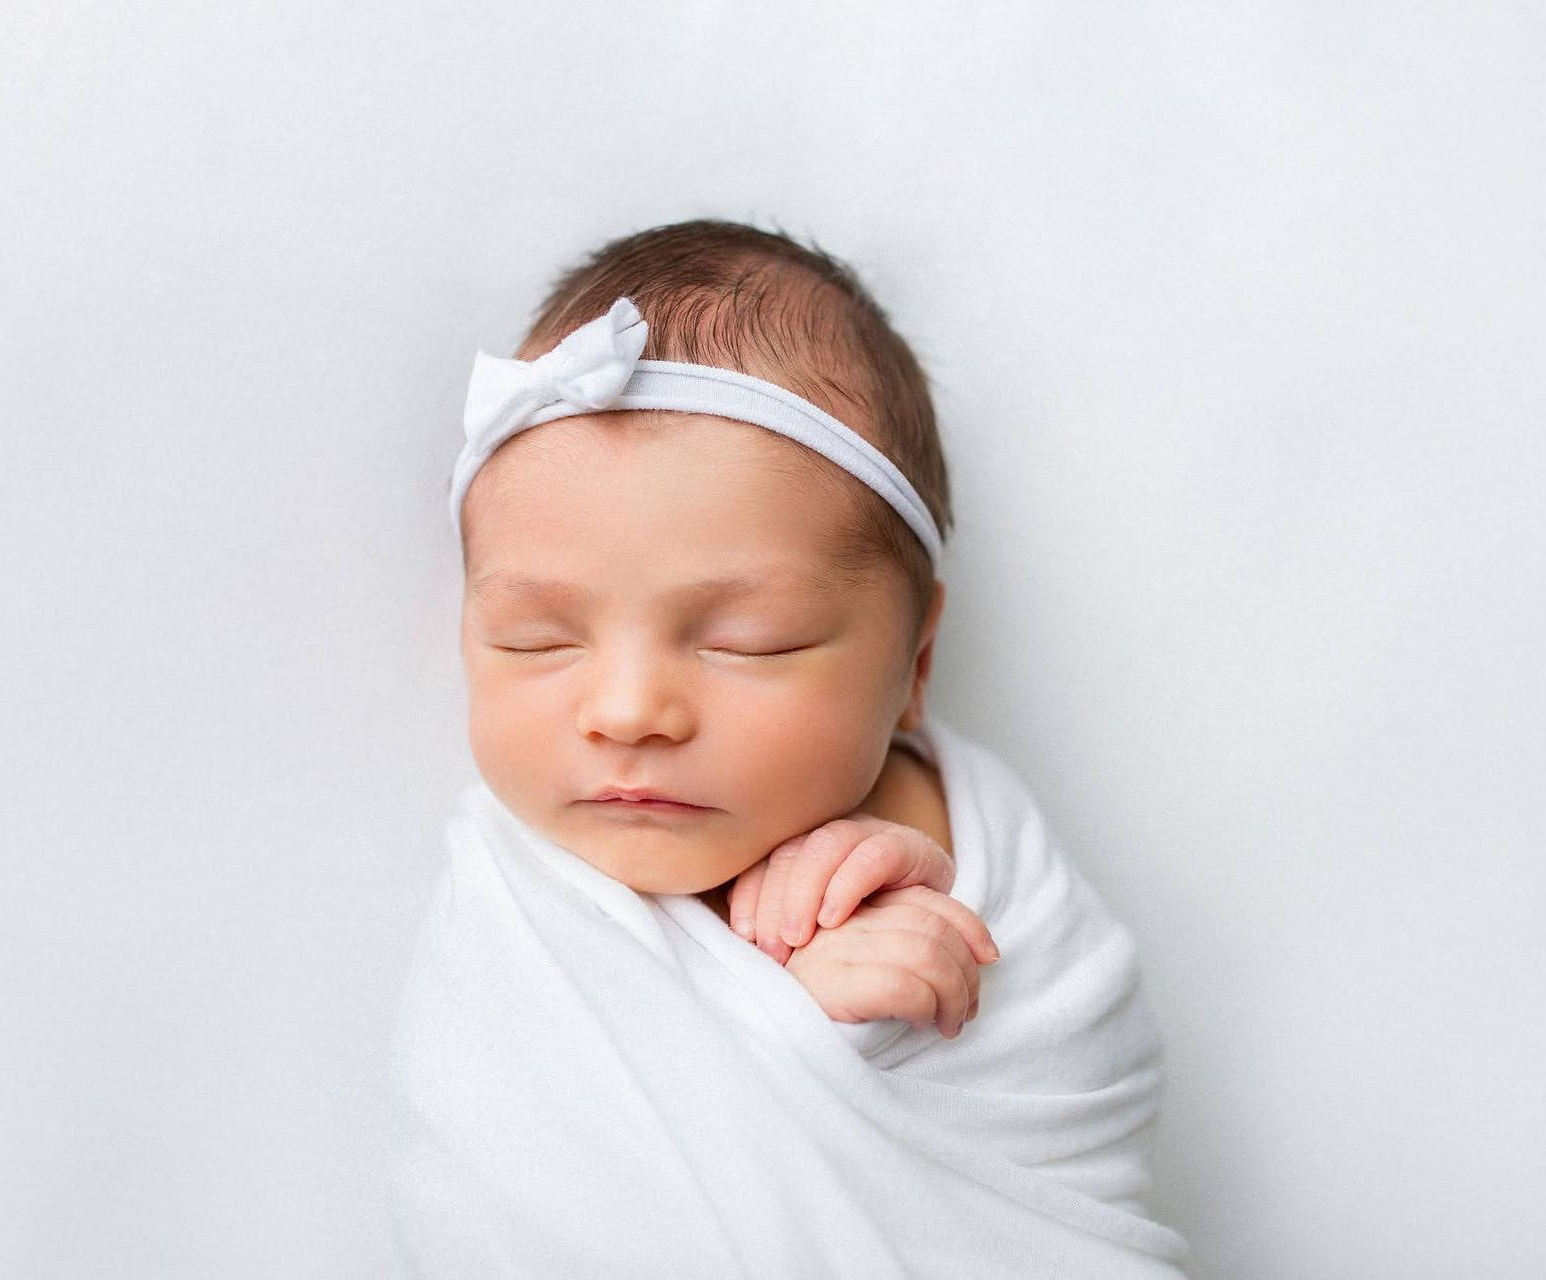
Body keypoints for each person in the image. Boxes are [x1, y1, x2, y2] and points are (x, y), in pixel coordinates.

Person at [389, 218, 1191, 1277]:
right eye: (536, 639)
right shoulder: (510, 907)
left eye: (747, 641)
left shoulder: (949, 858)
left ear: (914, 663)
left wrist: (880, 976)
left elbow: (1061, 1064)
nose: (627, 710)